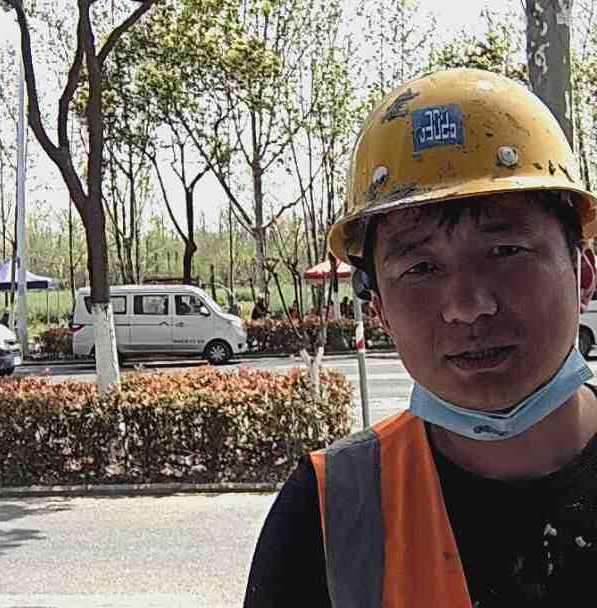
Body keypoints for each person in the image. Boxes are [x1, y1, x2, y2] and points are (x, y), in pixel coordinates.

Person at [243, 67, 597, 608]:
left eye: (505, 251)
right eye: (421, 269)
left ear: (584, 272)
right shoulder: (329, 513)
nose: (467, 305)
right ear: (380, 308)